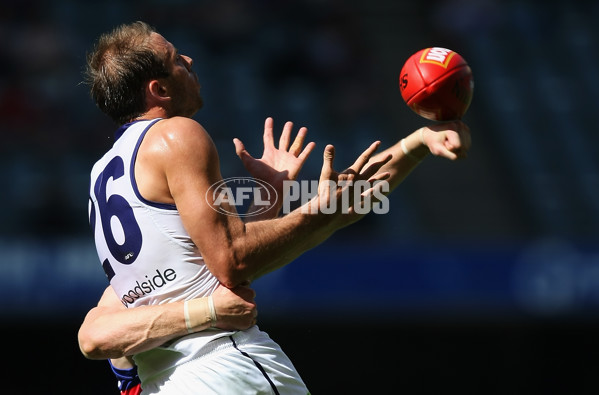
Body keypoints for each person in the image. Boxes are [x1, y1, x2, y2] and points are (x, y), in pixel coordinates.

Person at [82, 20, 470, 394]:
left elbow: (205, 274)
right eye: (176, 59)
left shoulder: (102, 174)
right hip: (224, 367)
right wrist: (319, 211)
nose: (190, 61)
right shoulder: (176, 133)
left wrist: (414, 145)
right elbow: (233, 260)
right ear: (159, 90)